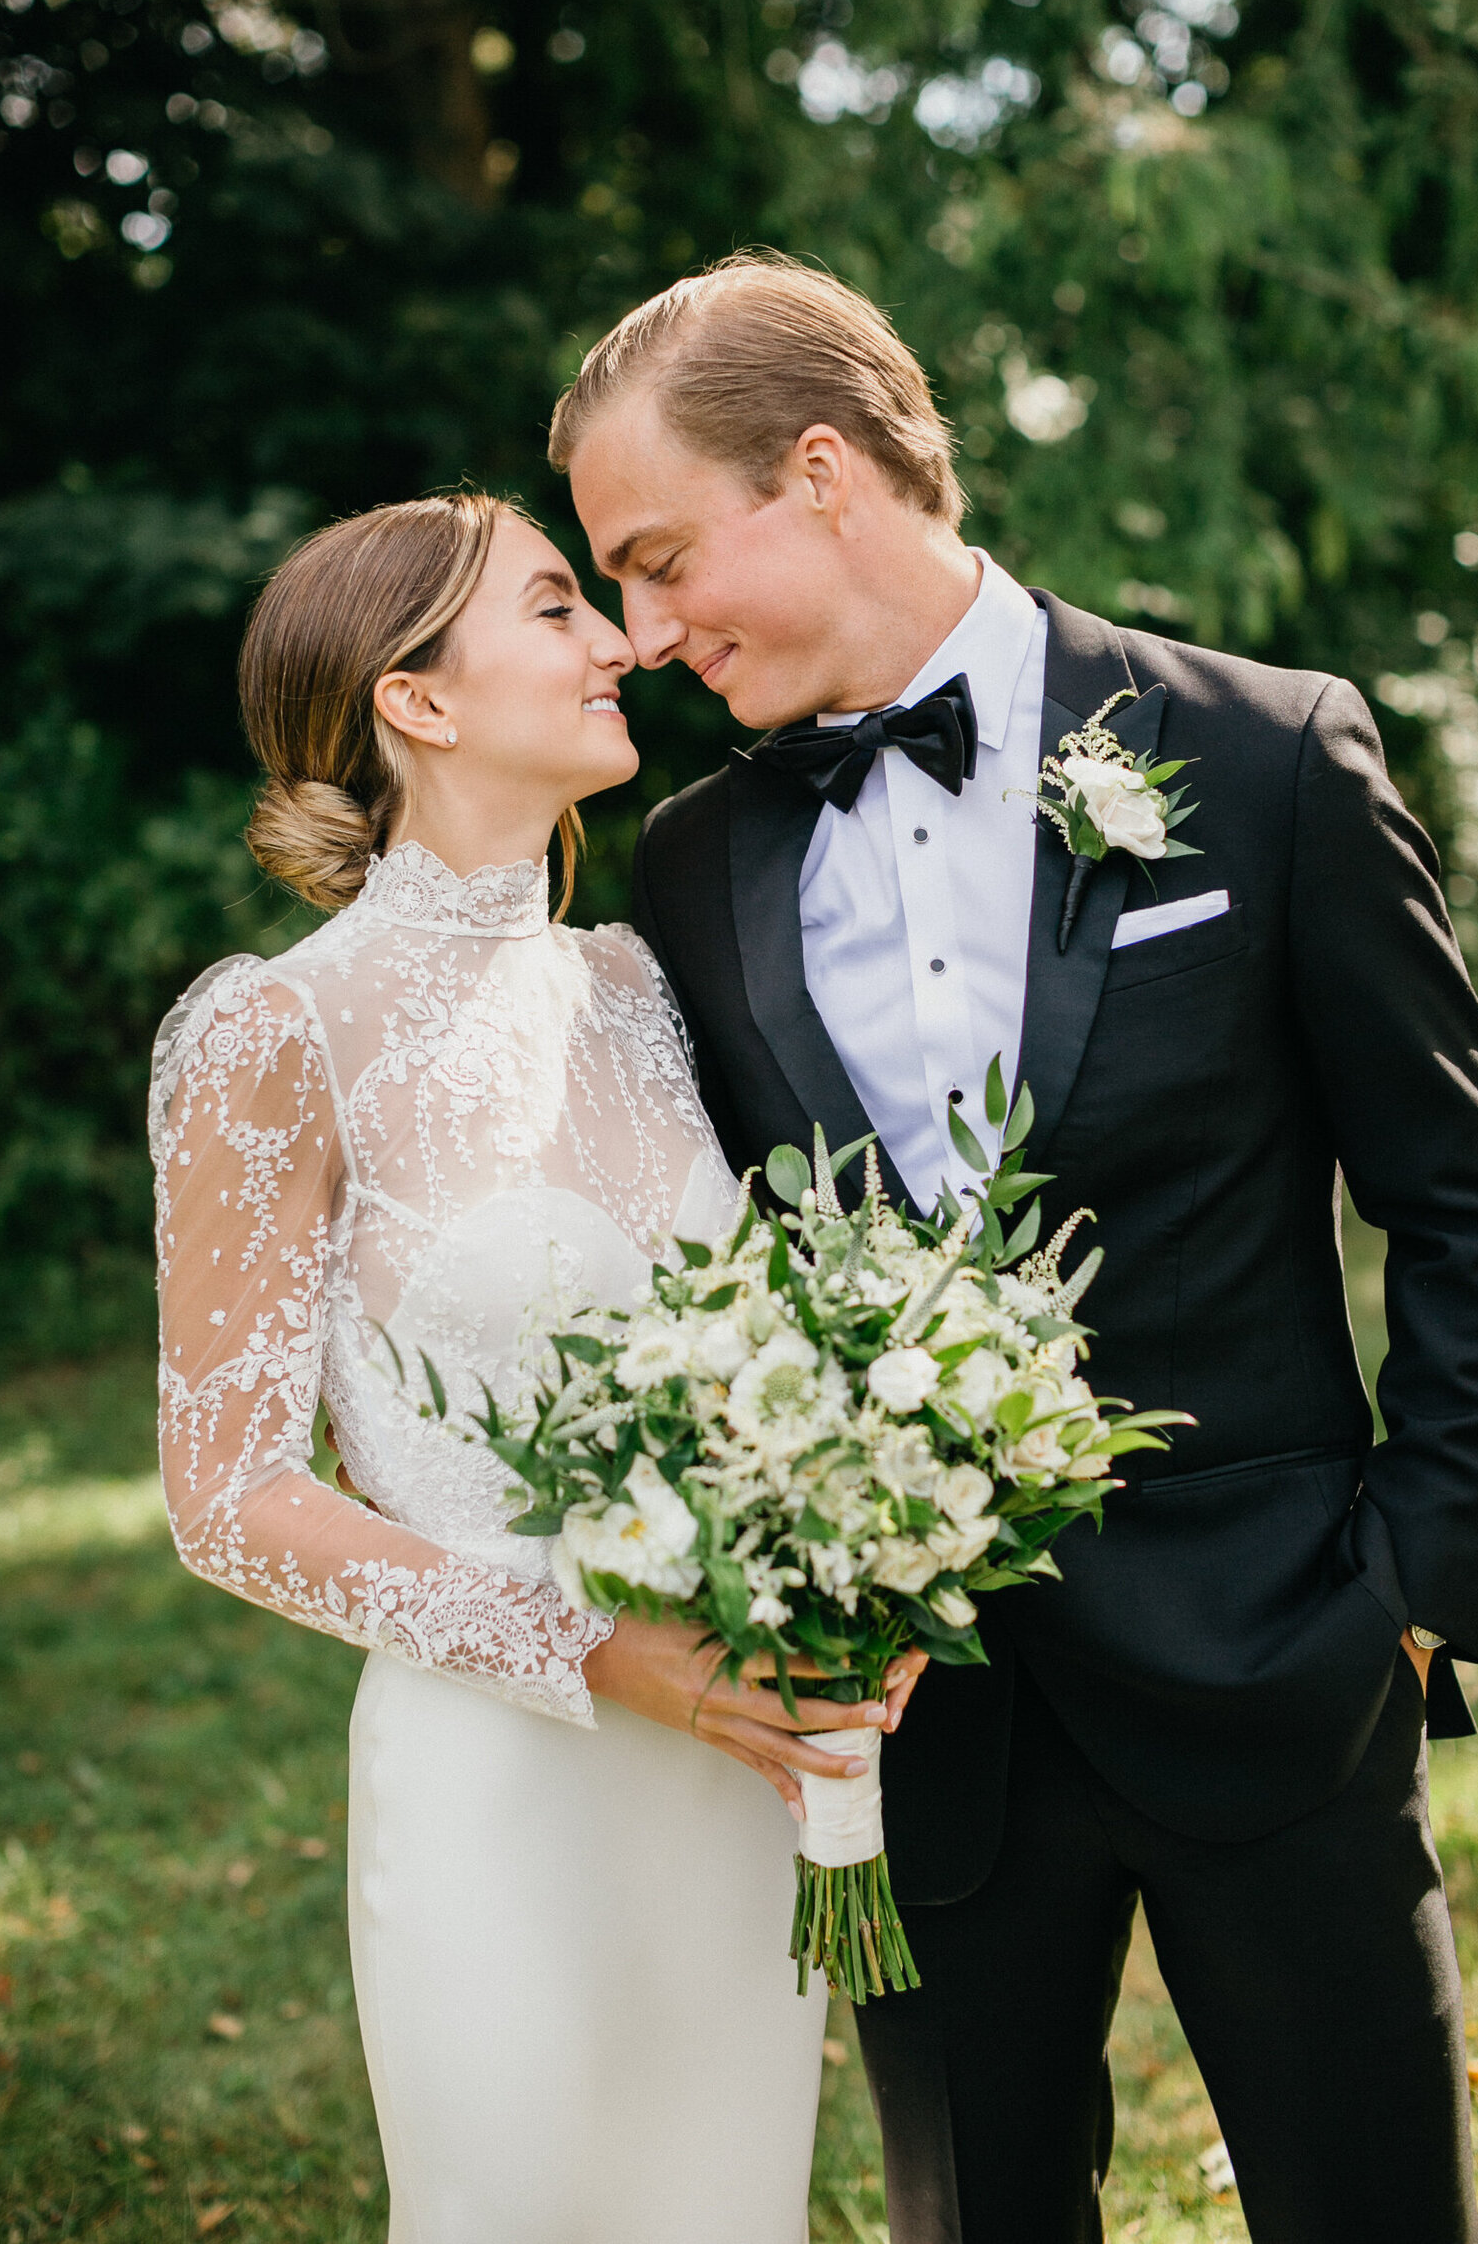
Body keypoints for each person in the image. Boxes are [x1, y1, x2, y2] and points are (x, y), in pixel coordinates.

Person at [553, 250, 1478, 2244]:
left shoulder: (1264, 753)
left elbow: (1457, 1199)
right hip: (918, 1719)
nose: (642, 636)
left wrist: (1413, 1597)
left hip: (1278, 1652)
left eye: (661, 561)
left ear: (817, 472)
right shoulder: (691, 863)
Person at [148, 491, 923, 2244]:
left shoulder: (637, 983)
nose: (623, 642)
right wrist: (599, 1651)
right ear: (417, 700)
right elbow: (232, 1501)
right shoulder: (274, 1032)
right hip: (506, 1769)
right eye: (560, 606)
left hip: (734, 1766)